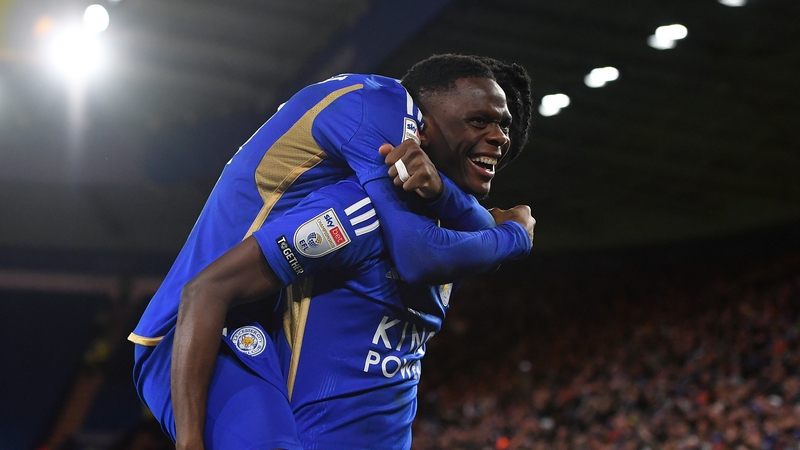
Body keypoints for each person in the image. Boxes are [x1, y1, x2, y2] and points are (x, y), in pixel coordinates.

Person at [128, 54, 534, 449]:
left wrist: (473, 212)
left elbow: (466, 233)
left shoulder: (453, 234)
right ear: (422, 127)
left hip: (242, 325)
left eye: (505, 126)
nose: (500, 138)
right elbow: (420, 255)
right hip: (188, 332)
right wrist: (514, 236)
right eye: (479, 120)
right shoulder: (376, 124)